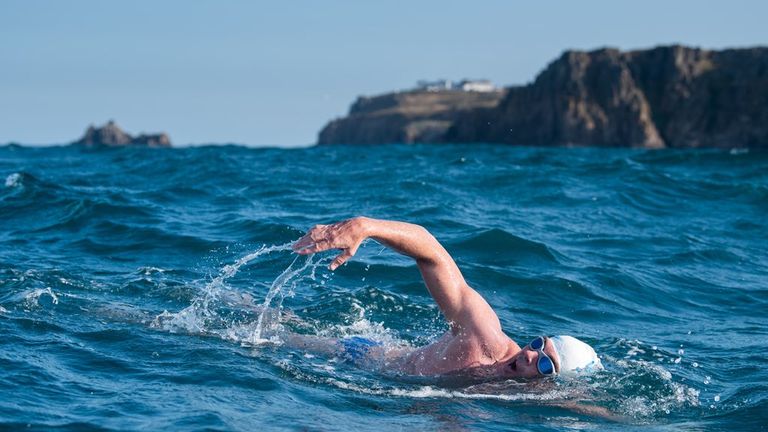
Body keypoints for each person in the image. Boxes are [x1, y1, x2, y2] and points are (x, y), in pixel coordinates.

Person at [289, 216, 601, 378]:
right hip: (359, 357)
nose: (531, 355)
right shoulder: (485, 338)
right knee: (267, 336)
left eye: (546, 365)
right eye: (537, 345)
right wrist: (364, 227)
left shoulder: (511, 397)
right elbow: (432, 255)